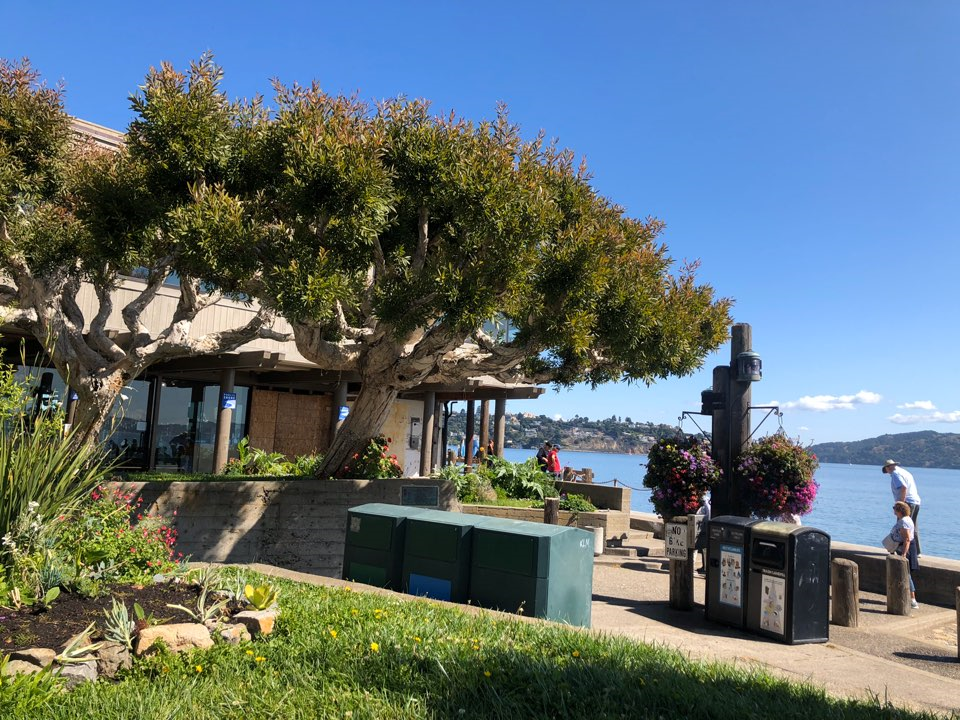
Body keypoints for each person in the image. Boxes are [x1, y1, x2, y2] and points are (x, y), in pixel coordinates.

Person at [882, 459, 921, 555]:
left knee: (902, 527)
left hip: (907, 502)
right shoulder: (905, 472)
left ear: (888, 468)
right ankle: (916, 552)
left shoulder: (895, 474)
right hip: (915, 502)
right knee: (913, 527)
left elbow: (903, 487)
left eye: (886, 470)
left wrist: (900, 503)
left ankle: (903, 552)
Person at [890, 500, 920, 609]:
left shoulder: (904, 521)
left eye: (894, 508)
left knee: (906, 574)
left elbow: (907, 539)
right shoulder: (905, 519)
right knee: (904, 574)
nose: (893, 509)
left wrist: (903, 554)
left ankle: (913, 600)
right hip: (902, 548)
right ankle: (906, 597)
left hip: (906, 549)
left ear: (899, 510)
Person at [695, 491, 711, 574]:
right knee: (703, 549)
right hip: (703, 527)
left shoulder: (706, 502)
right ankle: (704, 567)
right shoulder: (705, 502)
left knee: (705, 549)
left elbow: (708, 515)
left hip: (705, 528)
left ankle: (705, 568)